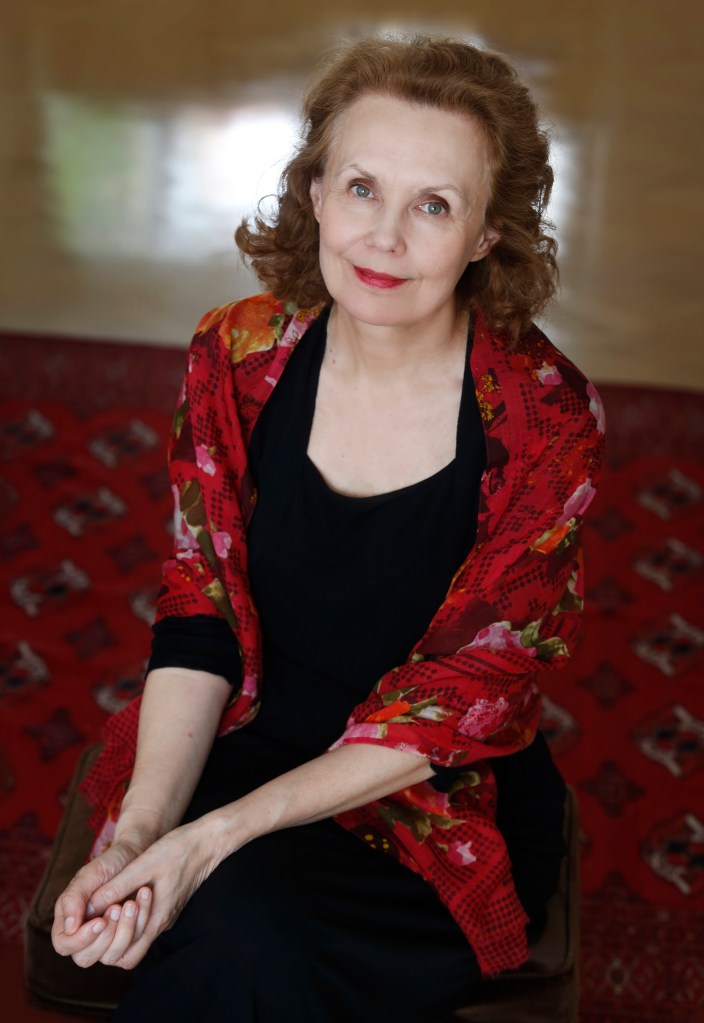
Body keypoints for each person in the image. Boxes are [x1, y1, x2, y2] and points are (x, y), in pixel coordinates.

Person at [51, 35, 605, 1022]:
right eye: (360, 188)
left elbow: (462, 696)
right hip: (245, 739)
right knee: (204, 912)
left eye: (433, 205)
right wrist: (143, 832)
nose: (383, 238)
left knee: (239, 920)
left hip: (427, 799)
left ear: (488, 232)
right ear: (314, 192)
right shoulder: (236, 354)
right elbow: (199, 610)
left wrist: (208, 841)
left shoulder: (543, 416)